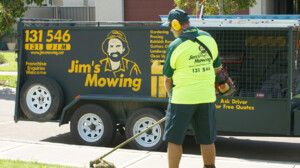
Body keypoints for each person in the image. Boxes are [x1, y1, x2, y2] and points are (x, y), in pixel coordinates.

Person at [162, 9, 222, 168]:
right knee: (207, 139)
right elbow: (217, 68)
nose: (170, 30)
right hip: (207, 97)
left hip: (182, 99)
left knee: (174, 140)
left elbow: (167, 79)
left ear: (175, 24)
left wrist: (170, 97)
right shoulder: (208, 38)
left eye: (170, 26)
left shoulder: (175, 46)